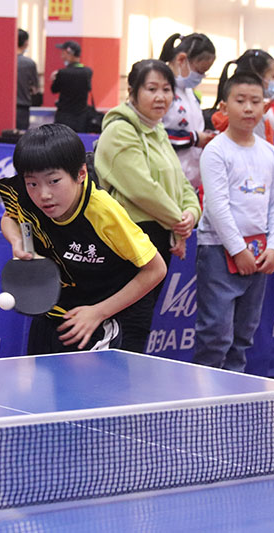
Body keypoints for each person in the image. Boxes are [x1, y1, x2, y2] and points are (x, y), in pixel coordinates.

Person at [0, 124, 166, 354]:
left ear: (81, 174)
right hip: (51, 315)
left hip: (98, 319)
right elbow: (10, 218)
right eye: (33, 183)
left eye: (54, 181)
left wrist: (98, 312)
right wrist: (17, 242)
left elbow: (156, 270)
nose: (43, 194)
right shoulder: (26, 193)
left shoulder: (104, 213)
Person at [94, 59, 200, 352]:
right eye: (151, 89)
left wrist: (191, 213)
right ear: (132, 91)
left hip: (160, 236)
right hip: (131, 238)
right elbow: (143, 189)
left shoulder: (158, 130)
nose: (160, 97)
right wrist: (178, 221)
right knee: (130, 323)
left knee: (141, 321)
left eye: (166, 89)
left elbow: (182, 184)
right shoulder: (120, 130)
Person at [192, 72, 274, 373]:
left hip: (258, 253)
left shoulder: (269, 152)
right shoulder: (216, 151)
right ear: (224, 107)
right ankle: (204, 395)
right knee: (216, 335)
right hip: (218, 251)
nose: (248, 108)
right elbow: (216, 206)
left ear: (265, 107)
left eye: (255, 101)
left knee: (243, 336)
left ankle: (235, 391)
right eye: (240, 100)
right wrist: (237, 250)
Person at [158, 33, 217, 189]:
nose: (201, 77)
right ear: (181, 60)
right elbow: (154, 134)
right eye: (199, 71)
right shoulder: (160, 91)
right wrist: (194, 138)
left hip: (189, 182)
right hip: (165, 180)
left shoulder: (189, 92)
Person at [211, 49, 274, 144]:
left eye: (255, 102)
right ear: (258, 77)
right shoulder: (252, 119)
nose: (248, 109)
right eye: (273, 76)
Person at [50, 41, 92, 133]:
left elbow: (54, 89)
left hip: (64, 117)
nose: (61, 56)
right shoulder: (88, 72)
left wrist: (54, 79)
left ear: (69, 54)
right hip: (81, 118)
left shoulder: (62, 73)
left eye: (63, 53)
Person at [16, 29, 39, 131]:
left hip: (4, 108)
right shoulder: (29, 64)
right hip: (22, 108)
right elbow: (35, 89)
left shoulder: (3, 61)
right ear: (26, 43)